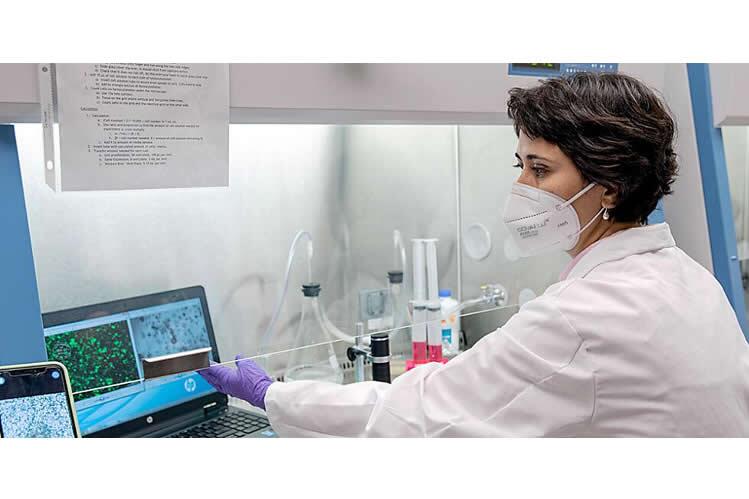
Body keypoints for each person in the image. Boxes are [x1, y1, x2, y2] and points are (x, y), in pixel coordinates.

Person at [199, 72, 749, 437]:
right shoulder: (689, 279)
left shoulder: (583, 315)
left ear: (609, 186)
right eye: (521, 166)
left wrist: (274, 395)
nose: (523, 188)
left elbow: (418, 416)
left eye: (541, 169)